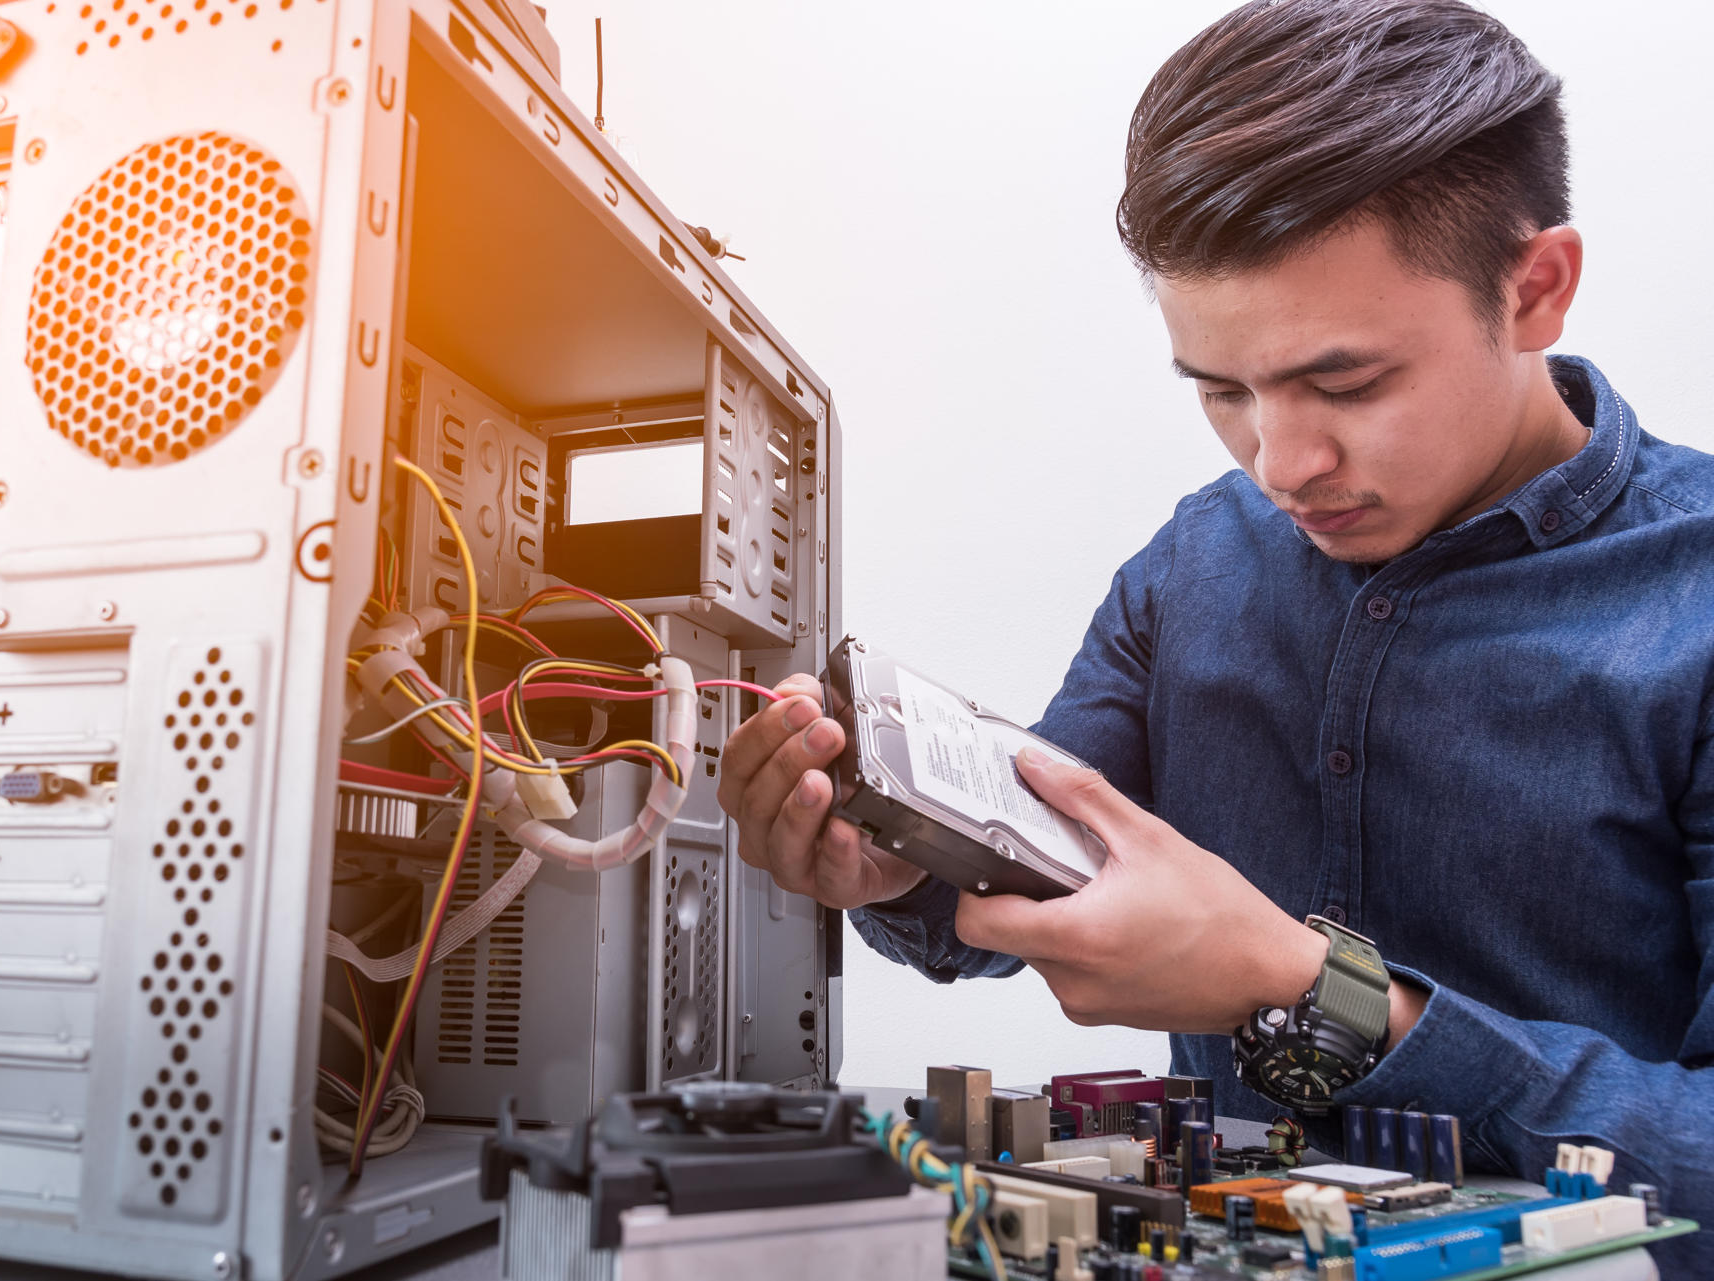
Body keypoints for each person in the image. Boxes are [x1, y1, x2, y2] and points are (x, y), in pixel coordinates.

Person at [718, 0, 1713, 1273]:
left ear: (1536, 289)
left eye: (1346, 384)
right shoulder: (1197, 562)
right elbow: (1050, 862)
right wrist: (899, 867)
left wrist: (1308, 991)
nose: (1283, 464)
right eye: (1223, 391)